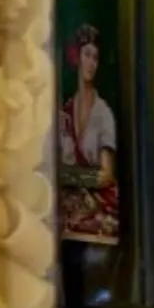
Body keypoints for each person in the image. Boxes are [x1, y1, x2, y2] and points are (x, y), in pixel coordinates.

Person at [58, 23, 119, 239]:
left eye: (96, 58)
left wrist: (68, 176)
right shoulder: (64, 112)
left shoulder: (104, 114)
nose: (91, 63)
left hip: (101, 204)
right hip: (72, 202)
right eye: (87, 55)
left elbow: (106, 175)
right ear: (77, 57)